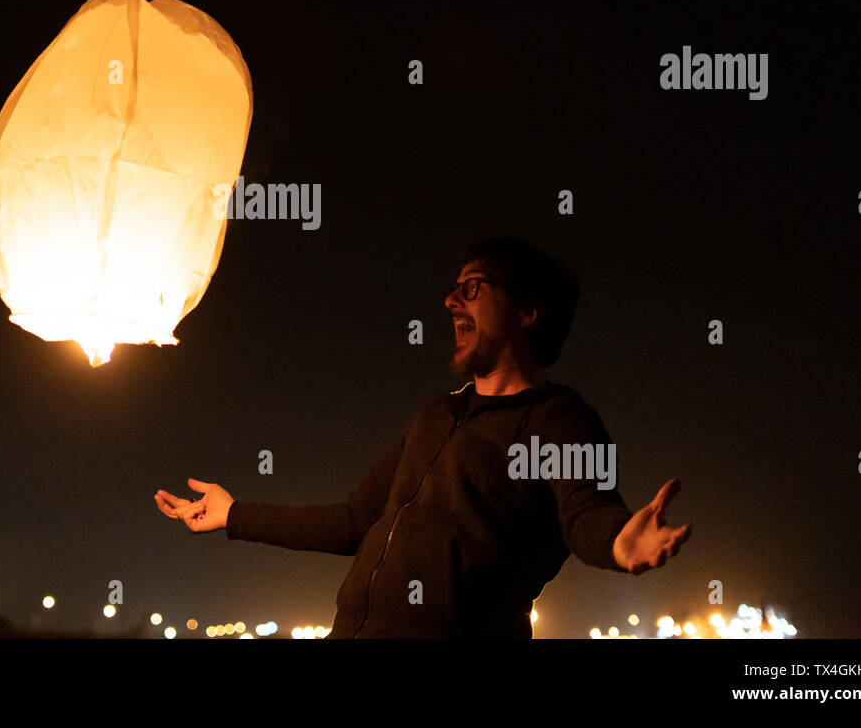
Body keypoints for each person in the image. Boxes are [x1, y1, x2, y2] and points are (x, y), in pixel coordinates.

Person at [155, 234, 691, 638]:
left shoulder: (563, 421)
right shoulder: (435, 415)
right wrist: (235, 514)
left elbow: (587, 512)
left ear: (528, 311)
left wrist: (620, 542)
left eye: (473, 288)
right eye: (453, 289)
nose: (451, 302)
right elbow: (353, 522)